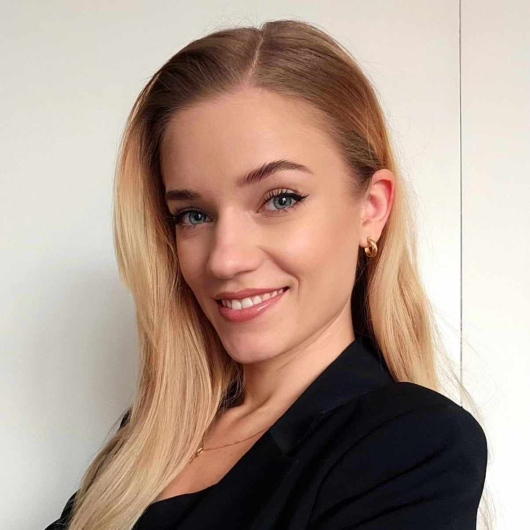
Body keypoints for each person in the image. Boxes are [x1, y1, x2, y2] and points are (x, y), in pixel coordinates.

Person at [45, 19, 490, 530]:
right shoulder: (146, 443)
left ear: (371, 209)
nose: (224, 259)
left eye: (280, 200)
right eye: (193, 215)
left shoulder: (410, 444)